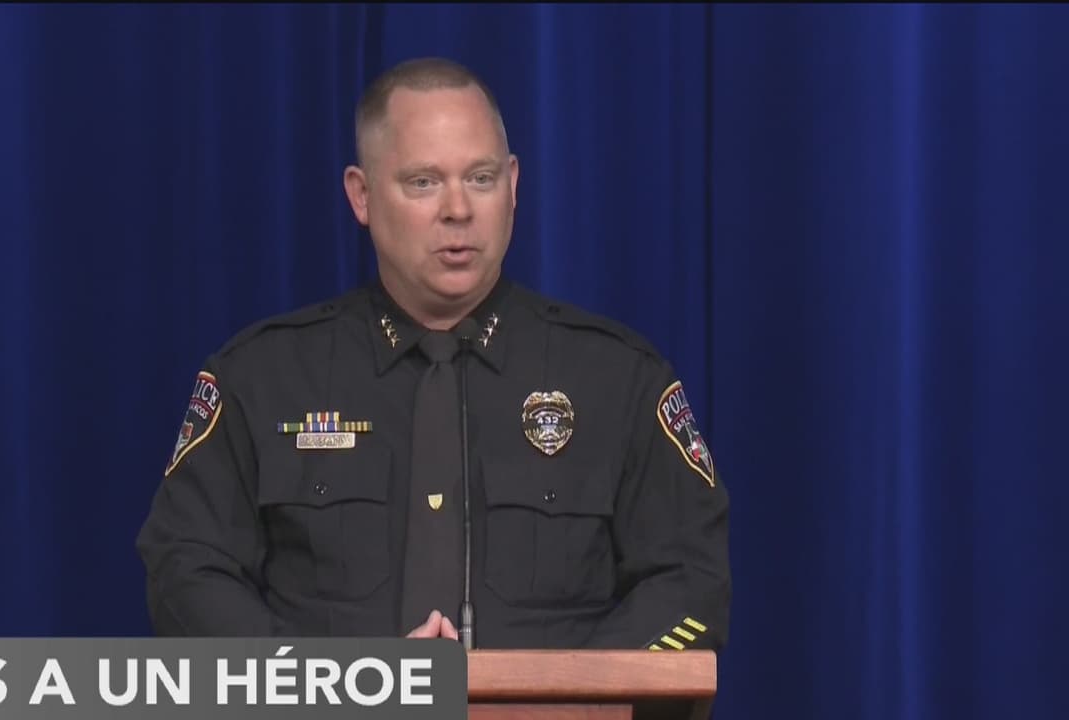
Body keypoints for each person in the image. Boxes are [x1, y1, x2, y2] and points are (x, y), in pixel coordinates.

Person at [136, 57, 730, 650]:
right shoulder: (262, 378)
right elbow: (185, 573)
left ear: (513, 185)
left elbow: (693, 581)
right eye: (424, 182)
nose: (458, 210)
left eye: (481, 178)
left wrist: (561, 691)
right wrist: (345, 687)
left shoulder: (618, 379)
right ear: (362, 196)